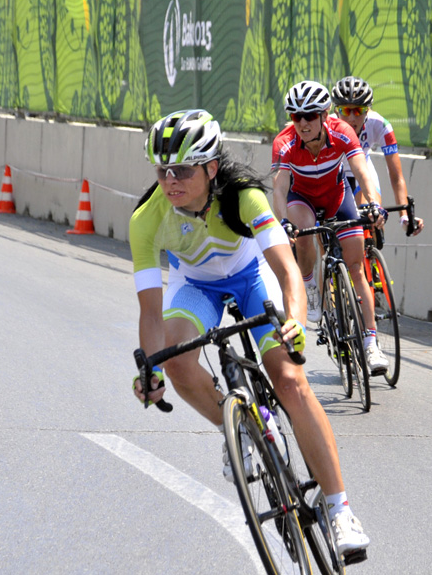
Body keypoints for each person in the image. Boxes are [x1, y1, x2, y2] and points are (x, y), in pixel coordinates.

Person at [129, 108, 371, 558]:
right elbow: (150, 312)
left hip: (251, 277)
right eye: (162, 170)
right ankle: (233, 423)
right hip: (196, 286)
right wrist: (152, 367)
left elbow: (287, 270)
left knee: (290, 380)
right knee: (178, 361)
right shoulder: (146, 219)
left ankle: (340, 511)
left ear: (211, 167)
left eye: (182, 169)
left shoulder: (244, 197)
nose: (170, 180)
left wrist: (295, 321)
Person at [270, 80, 389, 376]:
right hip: (302, 199)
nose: (303, 123)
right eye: (296, 116)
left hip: (337, 196)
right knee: (303, 227)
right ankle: (310, 284)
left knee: (357, 267)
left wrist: (374, 204)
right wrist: (282, 221)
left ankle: (371, 344)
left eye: (310, 115)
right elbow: (280, 187)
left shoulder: (342, 132)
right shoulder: (284, 142)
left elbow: (361, 171)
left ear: (325, 115)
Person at [330, 76, 425, 238]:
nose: (352, 118)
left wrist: (403, 217)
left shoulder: (380, 125)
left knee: (373, 216)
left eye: (358, 110)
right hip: (334, 175)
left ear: (367, 110)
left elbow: (396, 176)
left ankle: (371, 252)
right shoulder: (327, 126)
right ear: (335, 110)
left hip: (362, 172)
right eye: (346, 110)